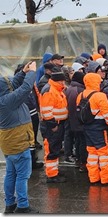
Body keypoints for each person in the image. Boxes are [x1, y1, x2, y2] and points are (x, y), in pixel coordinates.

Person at [1, 61, 39, 213]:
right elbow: (24, 88)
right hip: (18, 142)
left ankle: (10, 204)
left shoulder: (3, 97)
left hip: (8, 143)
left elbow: (14, 84)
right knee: (22, 176)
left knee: (11, 174)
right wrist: (31, 73)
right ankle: (23, 206)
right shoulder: (7, 101)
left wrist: (23, 72)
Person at [77, 73, 108, 185]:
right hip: (99, 128)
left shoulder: (81, 95)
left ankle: (93, 177)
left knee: (92, 153)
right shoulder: (100, 96)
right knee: (103, 154)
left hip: (87, 128)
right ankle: (106, 178)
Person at [39, 71, 68, 183]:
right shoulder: (50, 91)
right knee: (52, 149)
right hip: (52, 126)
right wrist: (53, 125)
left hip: (57, 124)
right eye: (63, 81)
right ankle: (51, 175)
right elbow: (47, 111)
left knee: (54, 148)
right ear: (59, 80)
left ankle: (54, 170)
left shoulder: (54, 89)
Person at [65, 71, 88, 172]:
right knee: (83, 142)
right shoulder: (80, 90)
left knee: (78, 141)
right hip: (79, 120)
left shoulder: (69, 89)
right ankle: (83, 163)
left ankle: (78, 160)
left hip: (72, 120)